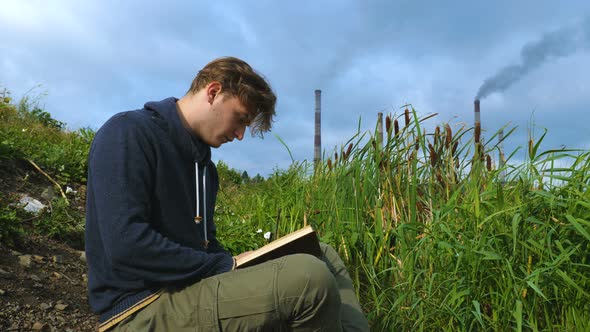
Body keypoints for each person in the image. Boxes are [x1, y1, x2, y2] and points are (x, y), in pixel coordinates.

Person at [85, 56, 369, 331]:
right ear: (213, 92)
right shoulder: (128, 133)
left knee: (324, 255)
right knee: (309, 278)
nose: (240, 134)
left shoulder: (206, 170)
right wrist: (226, 265)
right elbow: (126, 246)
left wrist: (243, 261)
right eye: (241, 118)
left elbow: (203, 246)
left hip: (189, 290)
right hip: (140, 308)